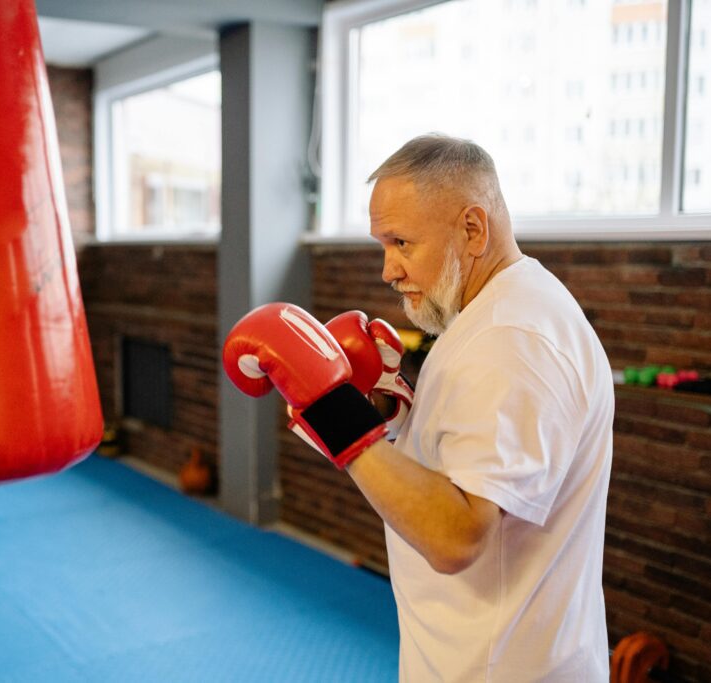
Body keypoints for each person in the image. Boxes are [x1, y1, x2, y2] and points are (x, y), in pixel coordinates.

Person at [222, 134, 613, 682]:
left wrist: (333, 410)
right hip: (480, 653)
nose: (389, 270)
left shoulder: (511, 339)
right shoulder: (500, 310)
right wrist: (393, 413)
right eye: (384, 245)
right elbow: (471, 470)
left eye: (403, 243)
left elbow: (456, 535)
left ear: (473, 229)